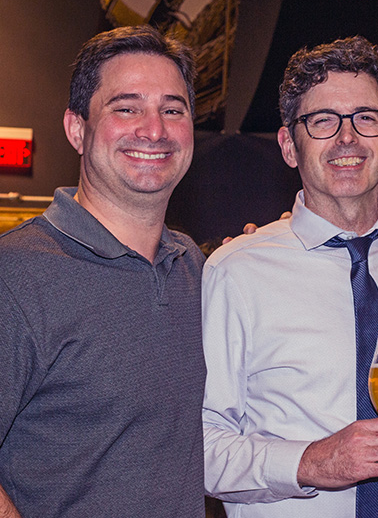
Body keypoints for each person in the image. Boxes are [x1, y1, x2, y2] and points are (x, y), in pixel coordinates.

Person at [201, 36, 378, 517]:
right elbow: (199, 448)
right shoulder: (235, 272)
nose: (348, 138)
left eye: (367, 118)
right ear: (288, 145)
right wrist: (309, 462)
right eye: (322, 121)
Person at [0, 26, 206, 517]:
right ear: (77, 129)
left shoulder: (195, 268)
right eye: (126, 108)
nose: (154, 130)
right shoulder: (16, 275)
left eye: (172, 110)